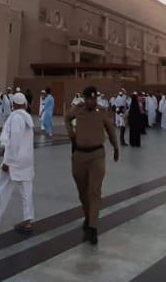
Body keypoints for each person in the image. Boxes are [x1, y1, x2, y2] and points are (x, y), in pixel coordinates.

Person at [65, 85, 119, 245]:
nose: (91, 101)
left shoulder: (102, 112)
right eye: (88, 98)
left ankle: (93, 228)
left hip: (97, 156)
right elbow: (67, 118)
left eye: (93, 99)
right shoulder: (77, 109)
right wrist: (71, 135)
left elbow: (110, 130)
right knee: (83, 192)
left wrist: (115, 147)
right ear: (84, 98)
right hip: (79, 155)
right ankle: (89, 217)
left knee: (94, 191)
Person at [0, 92, 36, 234]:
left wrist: (8, 161)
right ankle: (28, 220)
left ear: (13, 104)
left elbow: (15, 139)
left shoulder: (16, 117)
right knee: (26, 190)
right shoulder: (27, 118)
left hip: (14, 160)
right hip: (26, 160)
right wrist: (5, 149)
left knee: (1, 187)